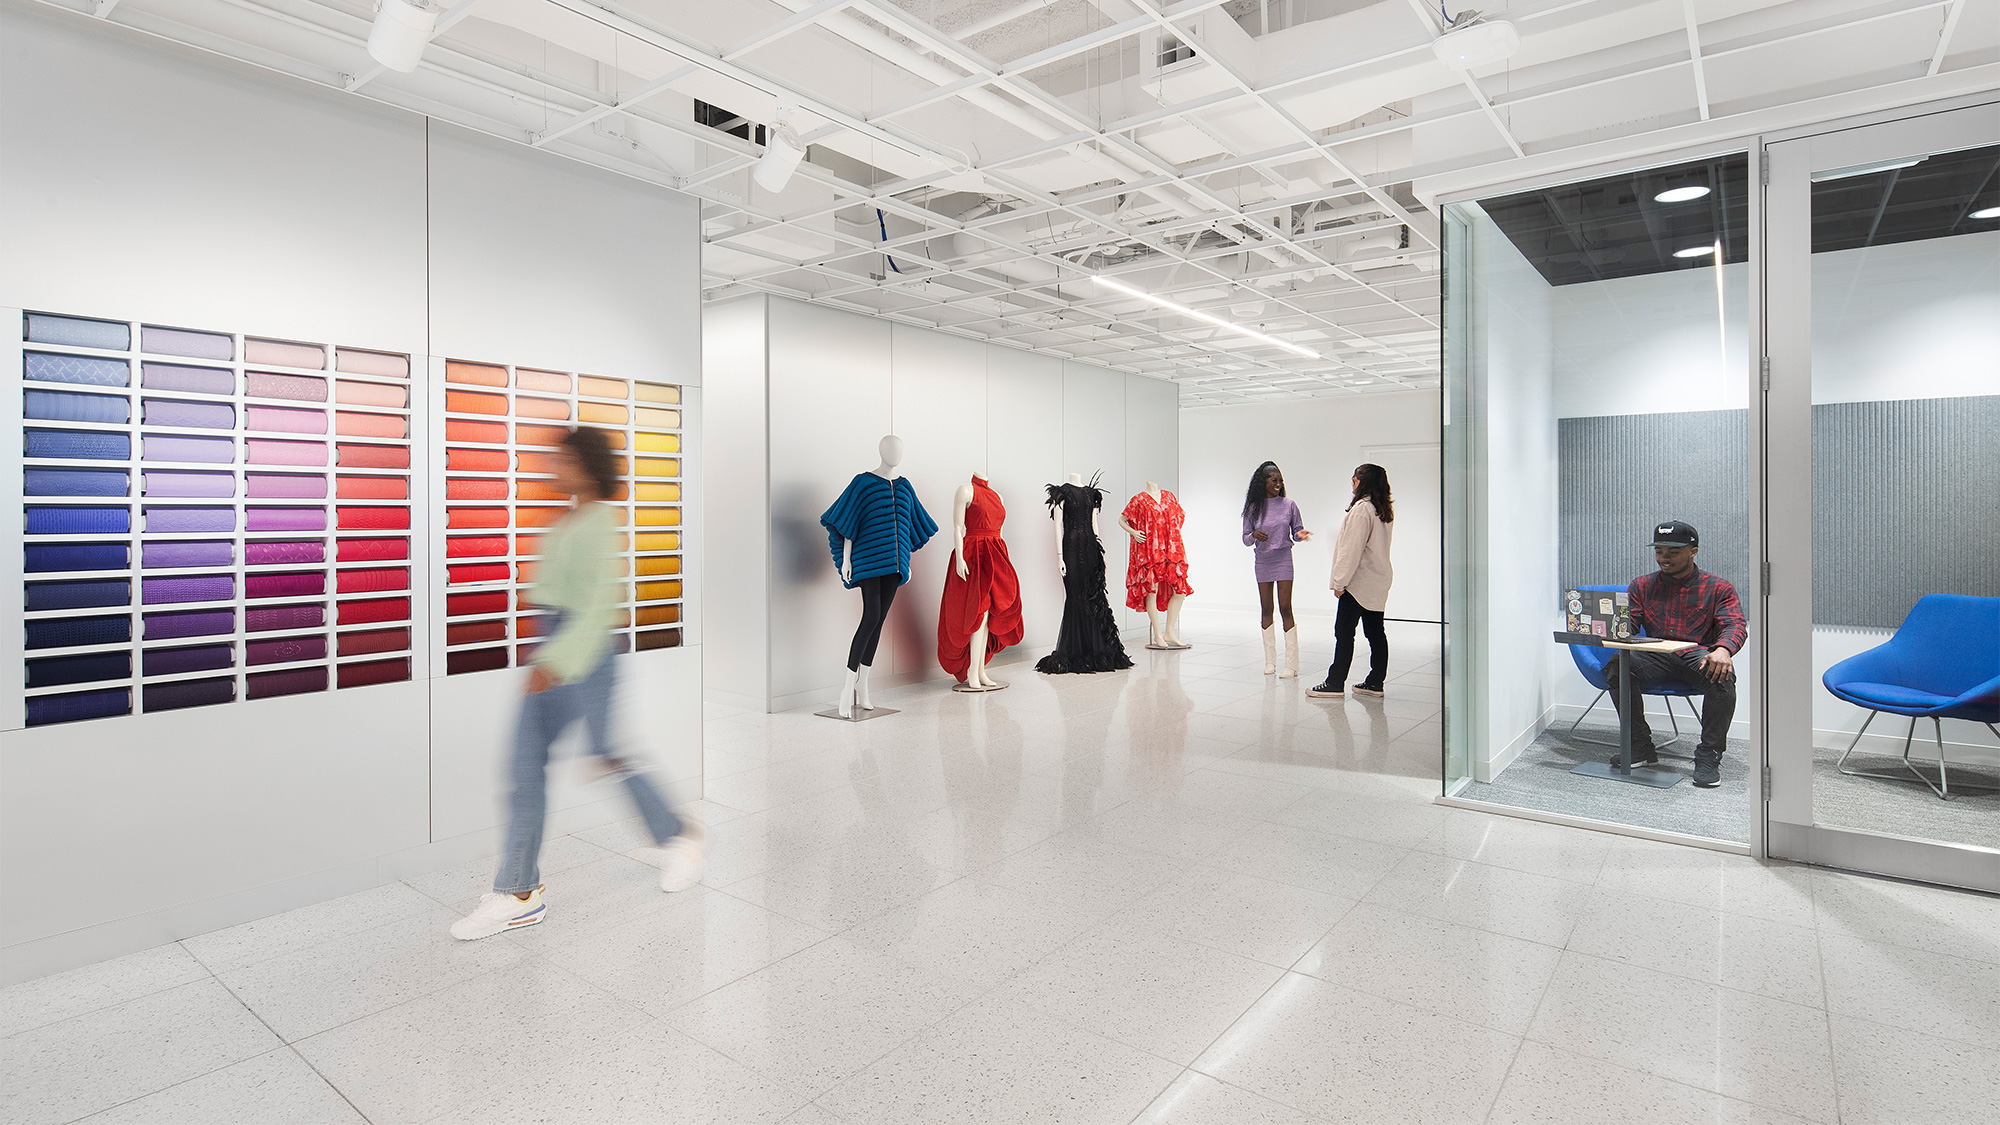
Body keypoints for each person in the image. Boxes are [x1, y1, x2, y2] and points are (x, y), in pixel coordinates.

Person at [452, 426, 704, 940]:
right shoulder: (575, 517)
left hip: (580, 655)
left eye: (561, 459)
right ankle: (521, 889)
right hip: (561, 650)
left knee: (600, 755)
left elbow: (596, 610)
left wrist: (552, 664)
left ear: (585, 466)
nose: (552, 467)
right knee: (545, 763)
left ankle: (677, 838)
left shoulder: (599, 523)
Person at [1606, 519, 1747, 789]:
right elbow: (1630, 625)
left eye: (1673, 551)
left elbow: (1734, 624)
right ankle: (1639, 747)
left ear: (1693, 551)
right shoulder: (1642, 585)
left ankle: (1709, 755)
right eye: (1659, 551)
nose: (1664, 558)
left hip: (1696, 655)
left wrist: (1723, 650)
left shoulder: (1718, 588)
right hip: (1656, 654)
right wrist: (1608, 626)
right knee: (1618, 666)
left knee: (1723, 676)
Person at [1309, 464, 1395, 700]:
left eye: (1355, 478)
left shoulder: (1361, 510)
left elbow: (1351, 551)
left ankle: (1335, 683)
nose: (1352, 481)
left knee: (1344, 633)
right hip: (1378, 580)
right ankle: (1375, 682)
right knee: (1376, 632)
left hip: (1358, 583)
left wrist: (1339, 582)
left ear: (1362, 482)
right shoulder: (1382, 510)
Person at [1241, 461, 1312, 678]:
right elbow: (1245, 538)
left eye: (1281, 480)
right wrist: (1254, 535)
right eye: (1274, 480)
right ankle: (1270, 662)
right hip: (1263, 561)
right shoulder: (1253, 508)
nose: (1279, 484)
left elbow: (1297, 530)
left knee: (1285, 608)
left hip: (1283, 559)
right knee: (1266, 608)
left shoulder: (1289, 505)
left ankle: (1291, 664)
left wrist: (1300, 535)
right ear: (1263, 483)